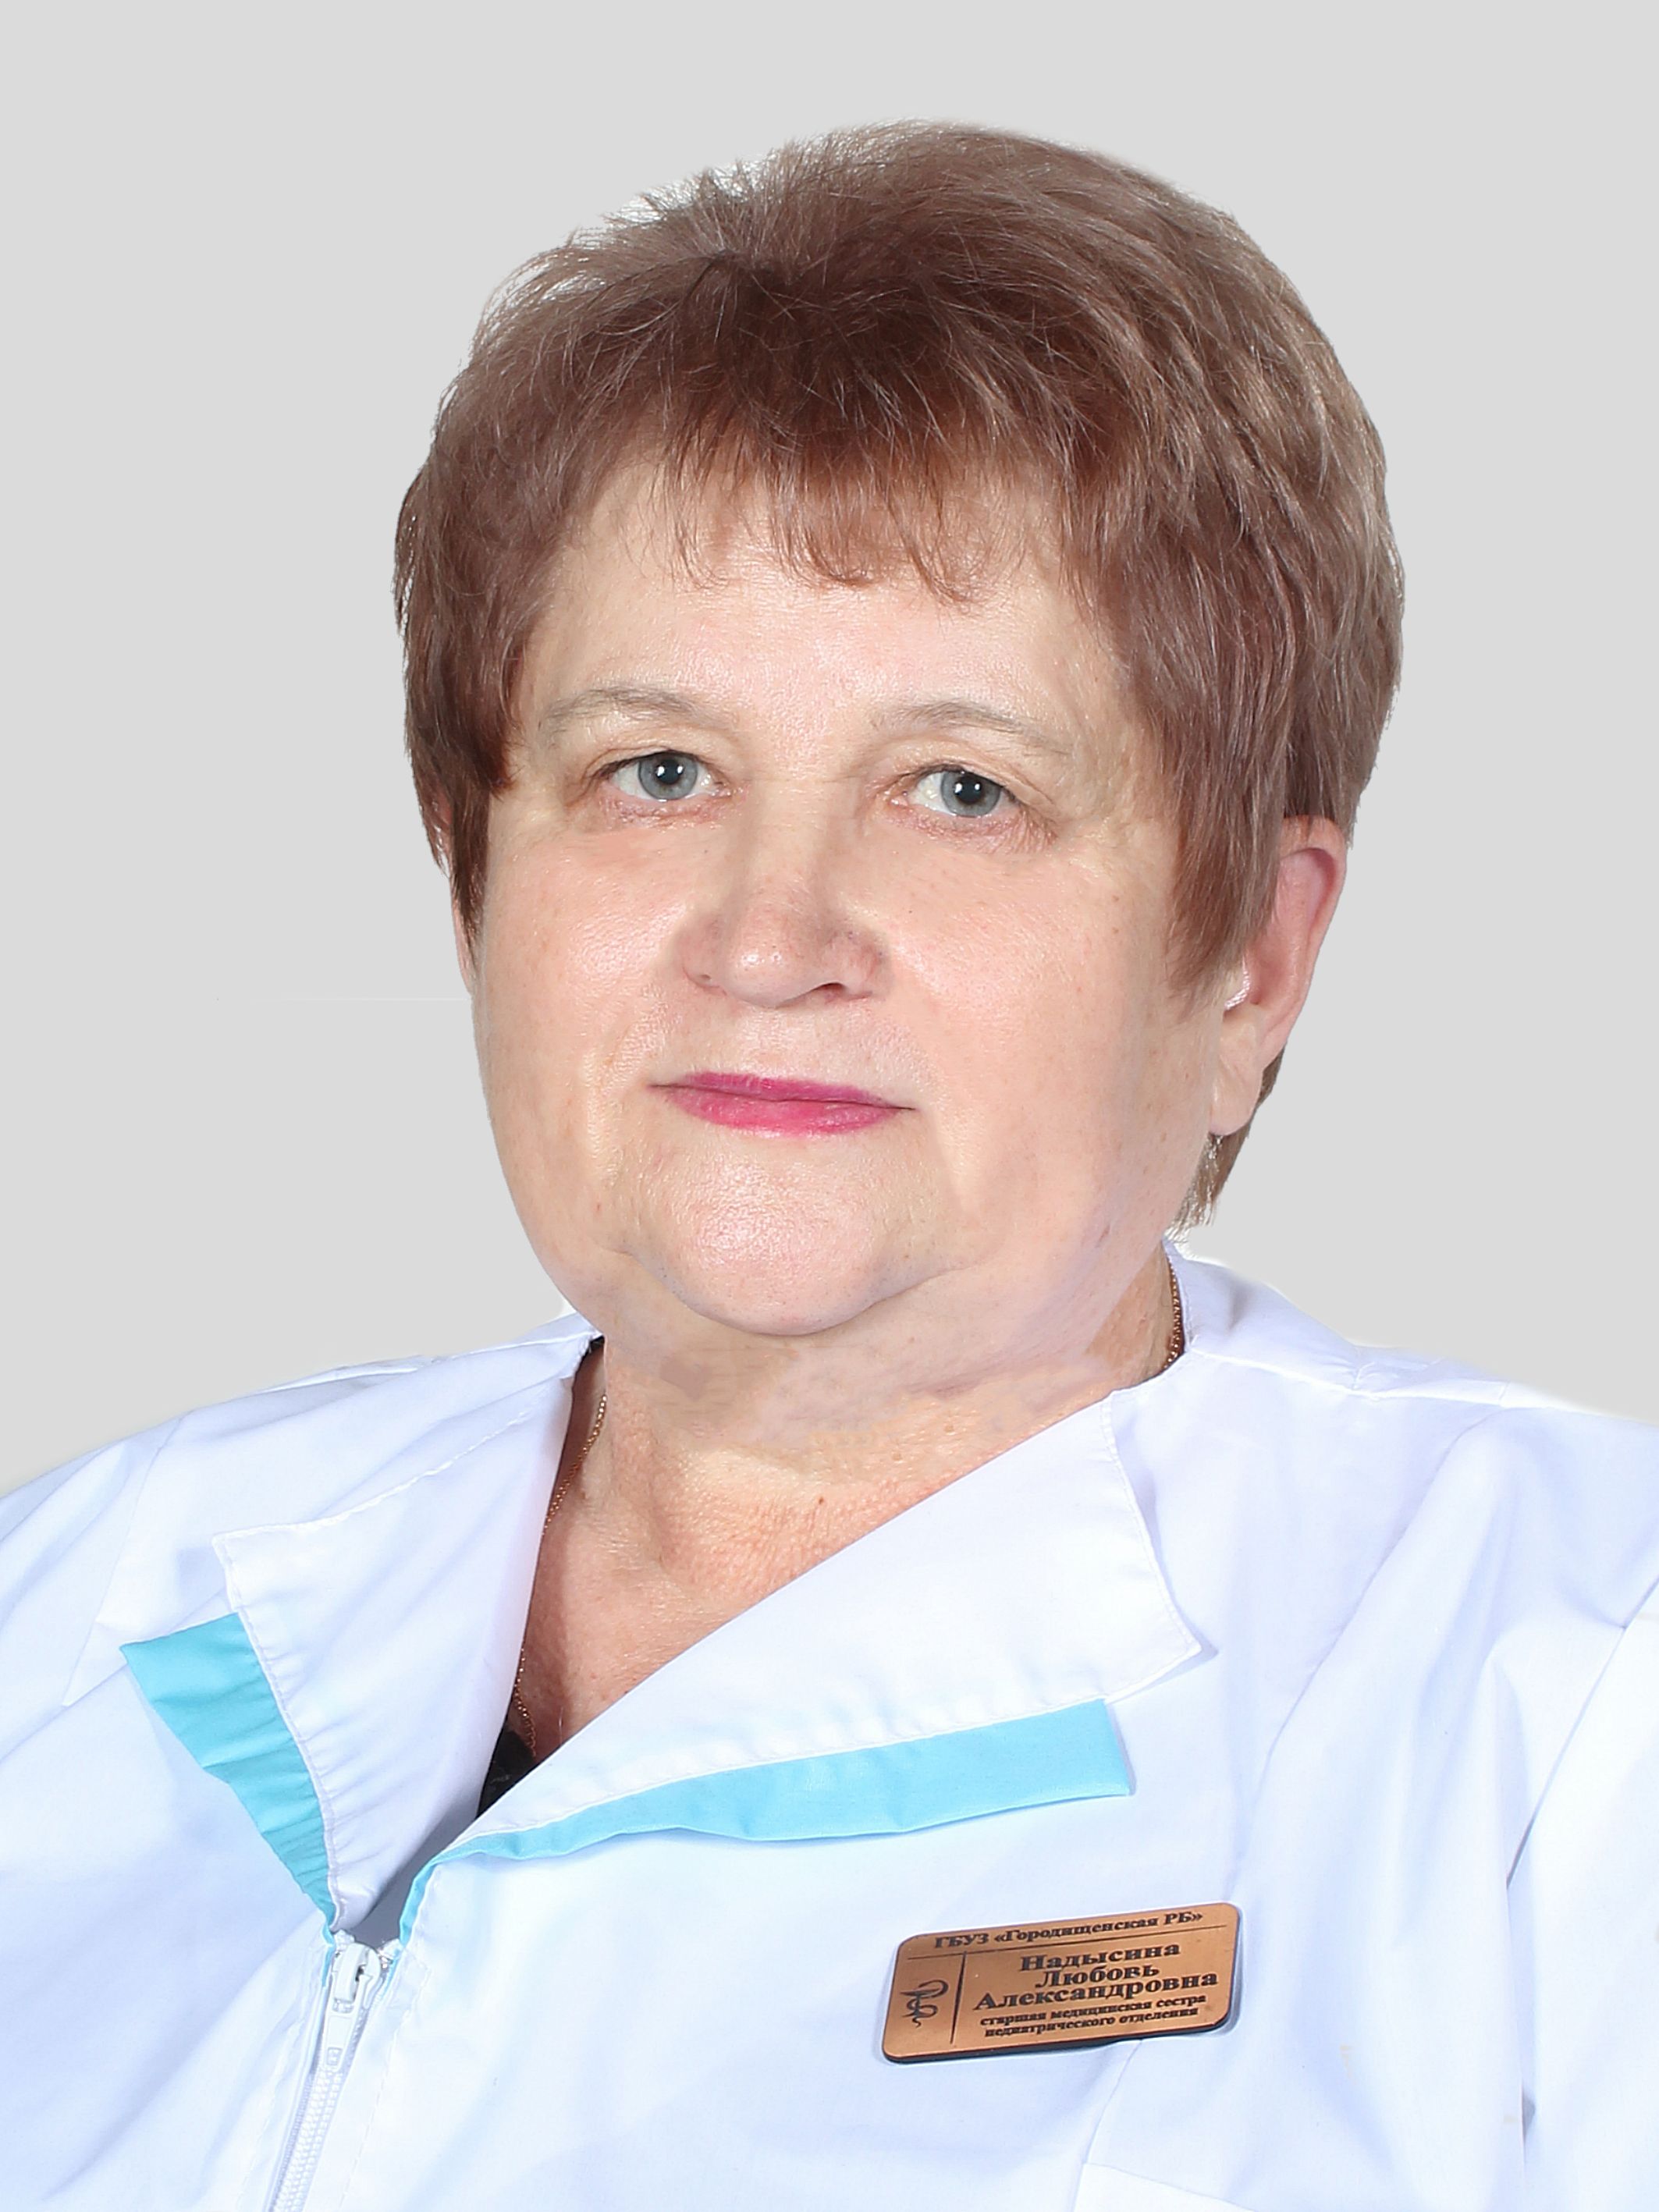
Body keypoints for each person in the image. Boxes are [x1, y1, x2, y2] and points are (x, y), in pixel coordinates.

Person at [2, 121, 1654, 2212]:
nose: (771, 936)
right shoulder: (79, 1598)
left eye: (961, 789)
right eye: (657, 771)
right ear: (473, 877)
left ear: (1253, 952)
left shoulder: (1570, 1694)